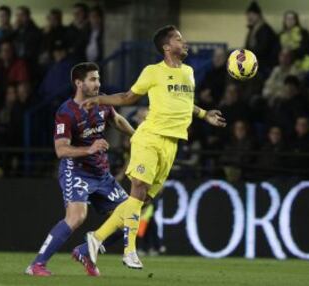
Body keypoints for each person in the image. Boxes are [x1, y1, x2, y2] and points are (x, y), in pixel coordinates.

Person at [81, 25, 226, 269]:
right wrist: (99, 99)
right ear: (167, 47)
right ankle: (129, 251)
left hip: (171, 145)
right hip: (149, 137)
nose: (185, 41)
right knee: (138, 191)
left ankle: (95, 239)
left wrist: (204, 114)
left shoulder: (189, 72)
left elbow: (183, 103)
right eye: (179, 39)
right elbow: (128, 97)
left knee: (141, 200)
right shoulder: (153, 71)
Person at [25, 62, 135, 277]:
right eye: (93, 79)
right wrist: (90, 149)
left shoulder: (101, 102)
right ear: (79, 83)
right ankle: (37, 265)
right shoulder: (66, 112)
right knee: (76, 217)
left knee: (128, 219)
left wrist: (137, 135)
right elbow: (61, 150)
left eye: (98, 78)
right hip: (76, 171)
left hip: (101, 173)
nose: (98, 83)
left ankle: (85, 251)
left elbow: (117, 119)